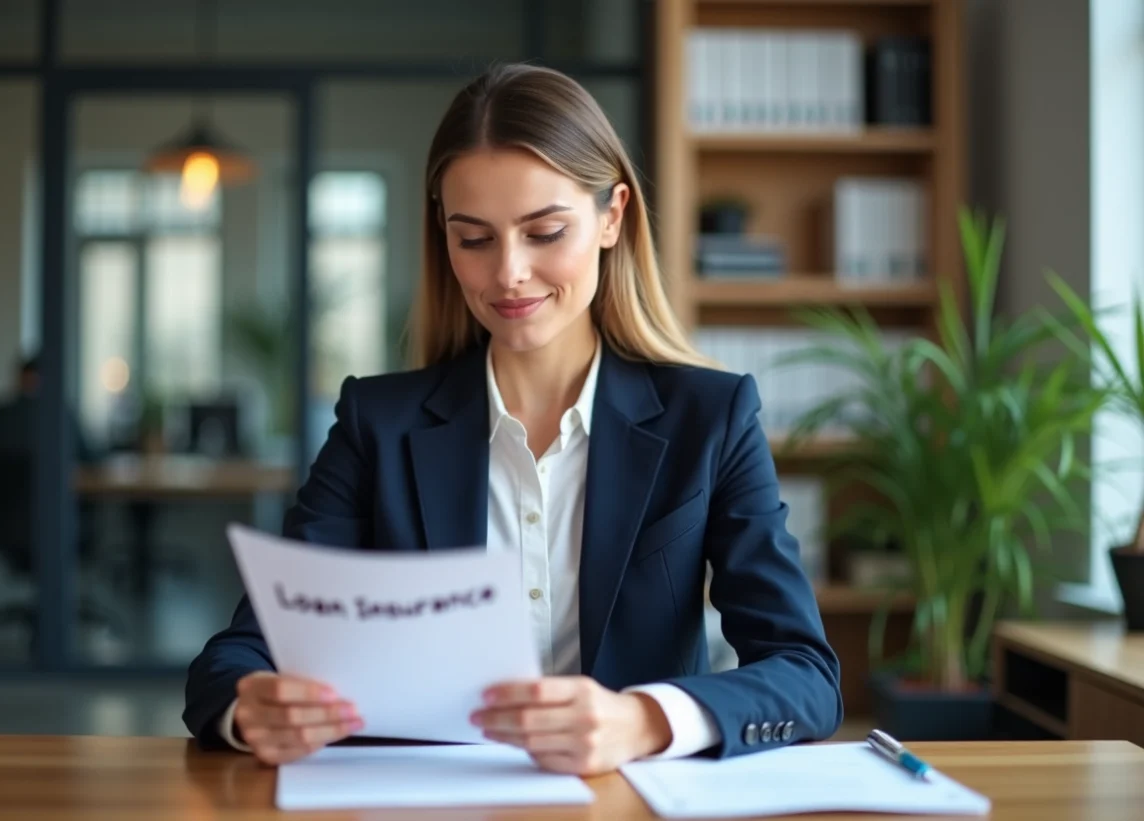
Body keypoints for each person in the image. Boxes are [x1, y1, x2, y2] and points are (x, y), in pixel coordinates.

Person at [183, 63, 842, 775]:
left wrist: (643, 719)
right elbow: (233, 658)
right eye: (475, 239)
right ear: (444, 235)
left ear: (611, 216)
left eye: (544, 231)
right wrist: (253, 703)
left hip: (625, 800)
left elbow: (804, 671)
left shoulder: (709, 419)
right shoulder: (379, 424)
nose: (509, 274)